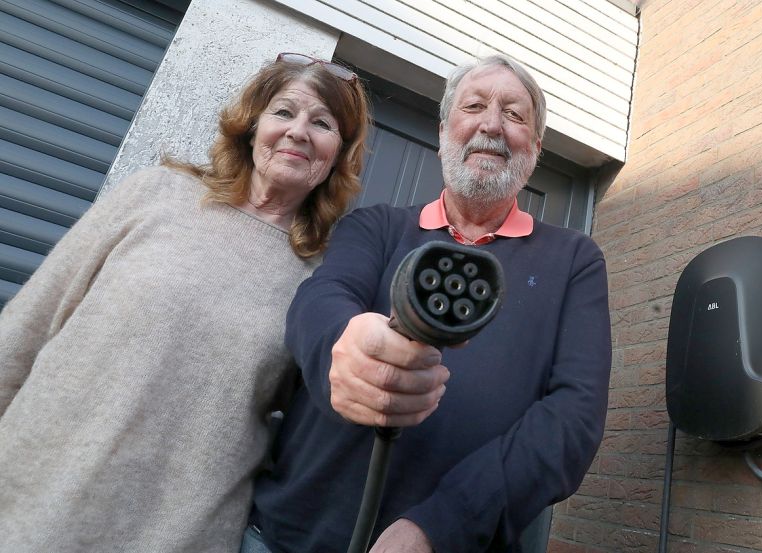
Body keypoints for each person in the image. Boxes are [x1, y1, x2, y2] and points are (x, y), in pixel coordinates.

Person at [0, 52, 370, 552]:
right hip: (30, 491)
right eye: (284, 112)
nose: (299, 131)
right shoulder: (156, 194)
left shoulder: (322, 279)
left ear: (339, 154)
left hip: (174, 533)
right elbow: (30, 322)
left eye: (322, 123)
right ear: (252, 124)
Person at [248, 54, 612, 552]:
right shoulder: (374, 226)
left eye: (514, 114)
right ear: (444, 132)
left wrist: (444, 523)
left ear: (537, 146)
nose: (491, 124)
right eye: (475, 106)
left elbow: (573, 419)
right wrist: (344, 347)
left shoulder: (575, 261)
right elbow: (322, 297)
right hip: (288, 537)